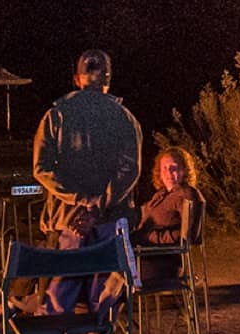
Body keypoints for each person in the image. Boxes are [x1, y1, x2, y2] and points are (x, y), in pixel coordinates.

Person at [34, 48, 142, 316]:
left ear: (75, 78)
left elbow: (41, 169)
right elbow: (129, 169)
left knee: (60, 299)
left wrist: (80, 202)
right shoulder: (124, 118)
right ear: (109, 79)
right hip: (109, 220)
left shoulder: (57, 116)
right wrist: (97, 205)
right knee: (102, 302)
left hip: (69, 221)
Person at [134, 147, 205, 287]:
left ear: (184, 170)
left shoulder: (187, 195)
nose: (168, 173)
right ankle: (100, 306)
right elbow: (141, 214)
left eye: (173, 168)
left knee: (115, 269)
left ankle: (100, 306)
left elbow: (188, 235)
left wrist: (150, 236)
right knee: (110, 261)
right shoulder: (160, 195)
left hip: (164, 262)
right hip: (145, 254)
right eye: (164, 168)